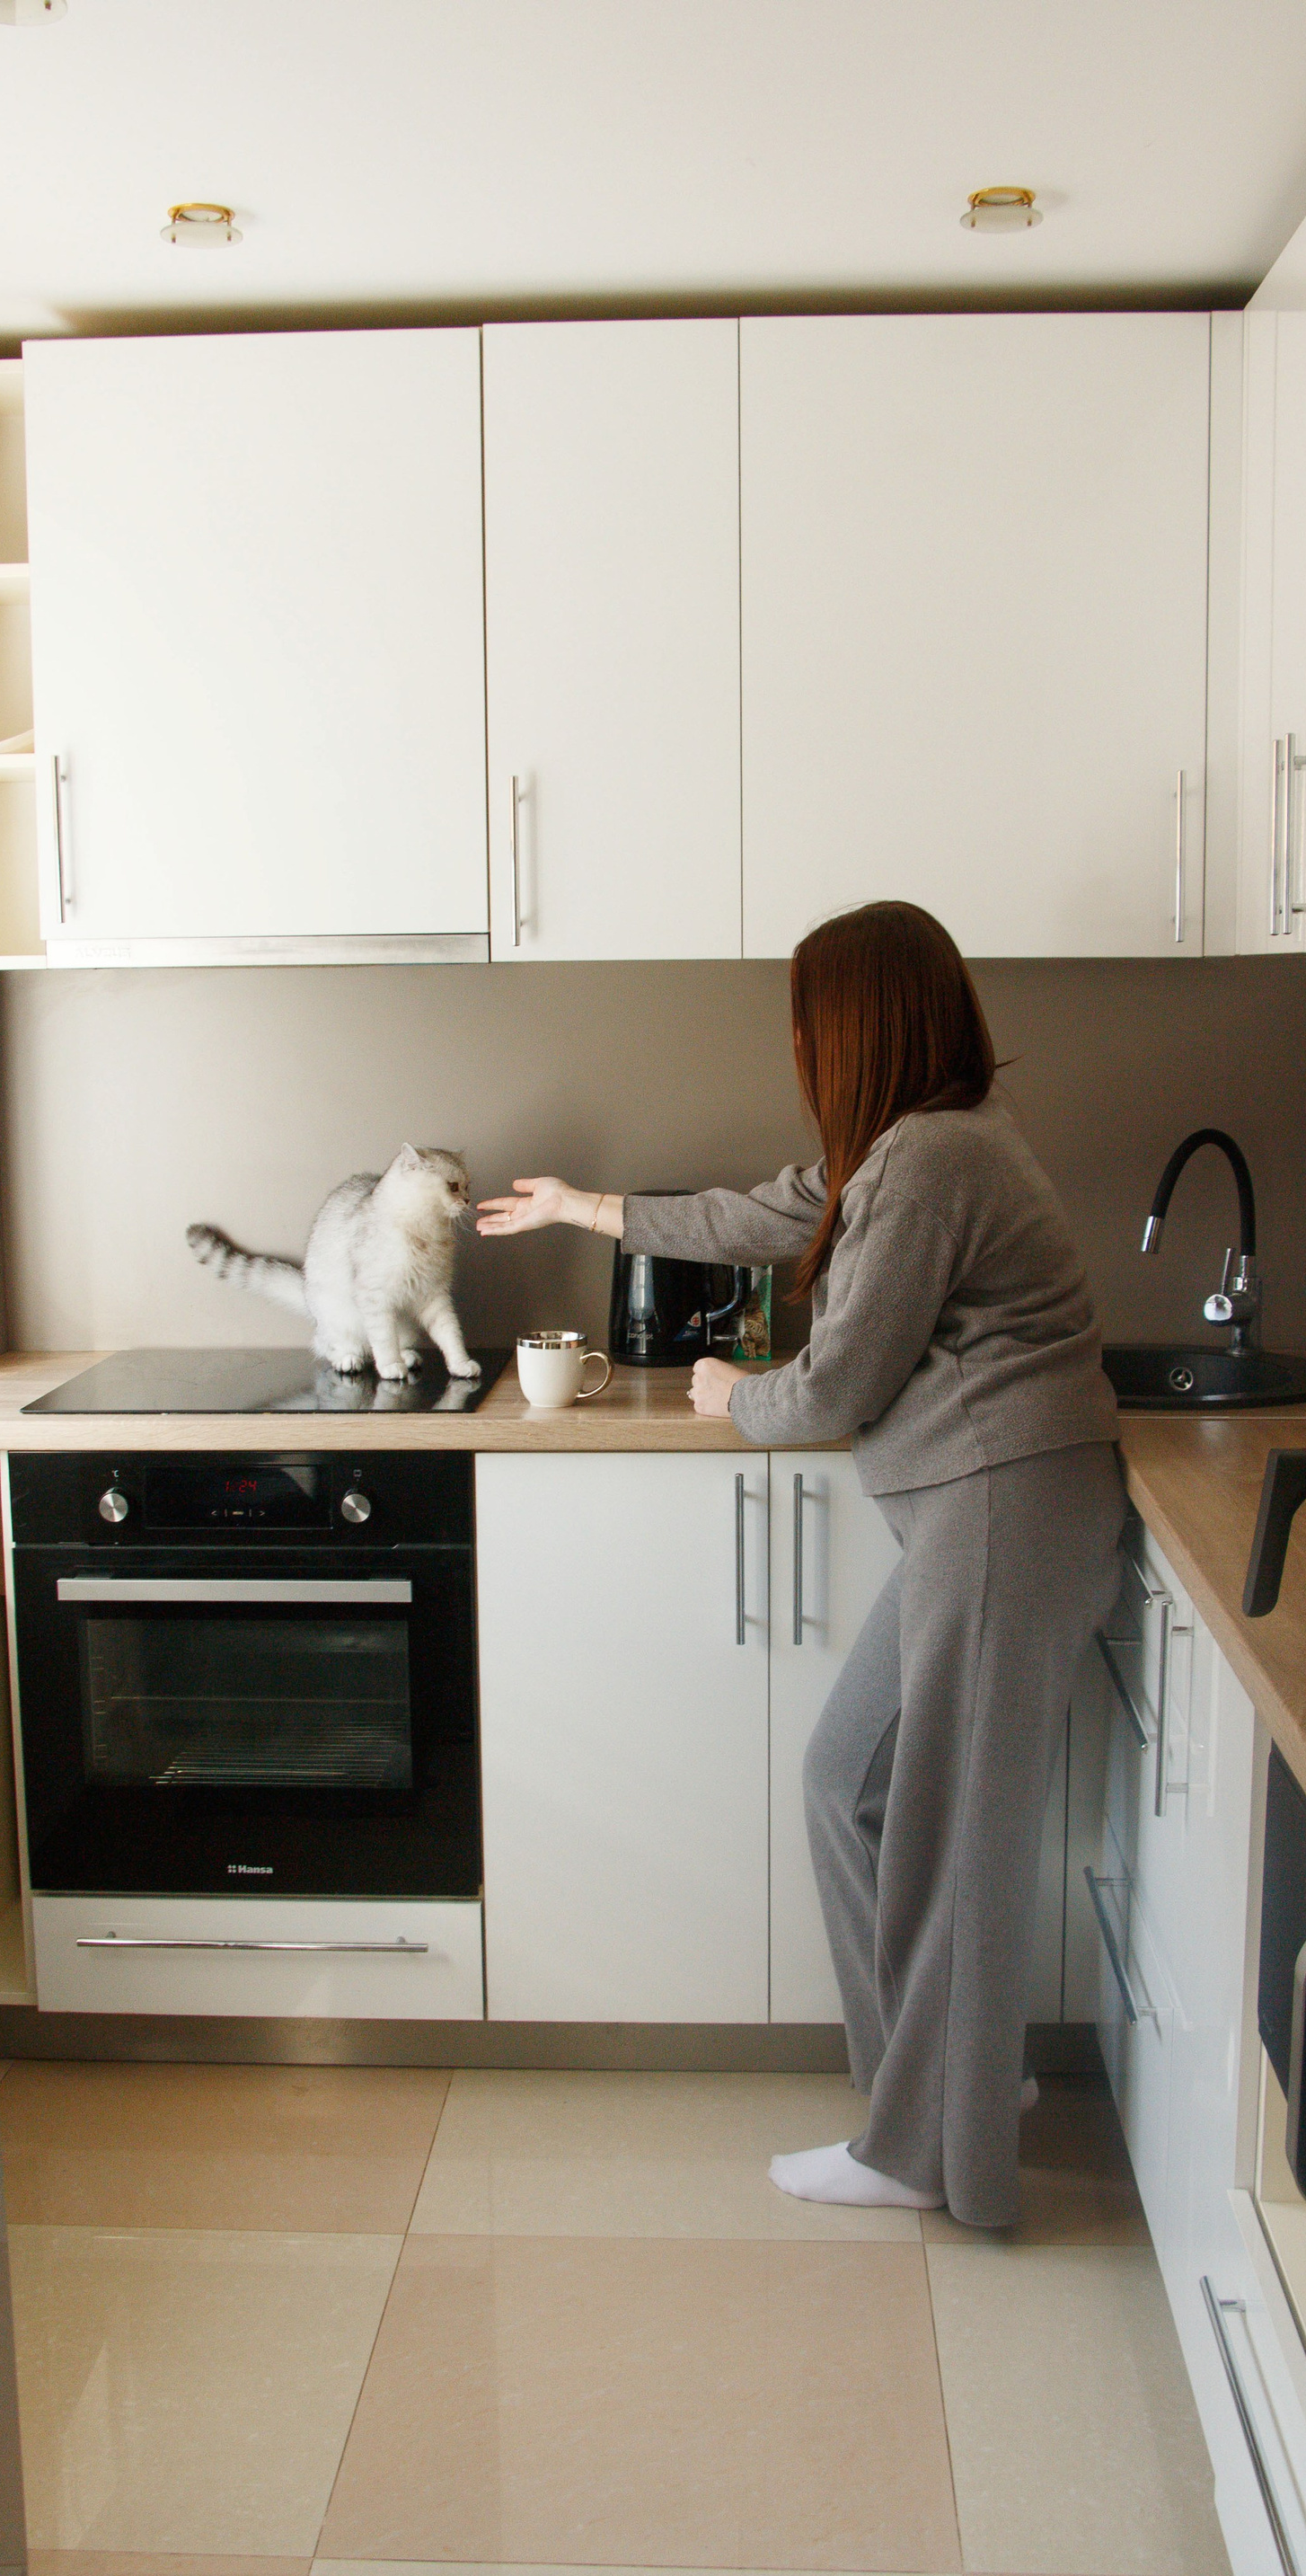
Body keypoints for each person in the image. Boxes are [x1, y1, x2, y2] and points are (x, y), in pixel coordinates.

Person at [477, 899, 1125, 2226]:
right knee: (851, 1782)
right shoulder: (912, 1145)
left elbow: (839, 1381)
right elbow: (765, 1213)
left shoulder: (933, 1158)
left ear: (858, 1029)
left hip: (1003, 1510)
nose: (799, 1051)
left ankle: (926, 2155)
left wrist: (736, 1394)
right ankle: (945, 2092)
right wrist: (582, 1208)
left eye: (808, 1026)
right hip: (982, 1513)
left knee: (951, 1835)